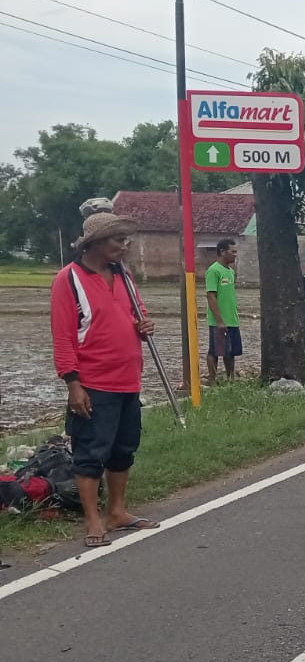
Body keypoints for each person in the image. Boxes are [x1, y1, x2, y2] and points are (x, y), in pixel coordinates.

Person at [49, 212, 161, 547]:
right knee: (90, 452)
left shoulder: (124, 275)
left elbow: (137, 315)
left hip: (128, 379)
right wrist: (73, 385)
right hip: (94, 382)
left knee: (124, 449)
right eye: (117, 240)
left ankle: (117, 512)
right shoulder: (68, 279)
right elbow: (63, 337)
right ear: (95, 242)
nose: (124, 246)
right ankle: (93, 520)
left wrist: (144, 326)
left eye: (126, 240)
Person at [204, 238, 242, 383]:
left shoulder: (231, 272)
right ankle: (212, 380)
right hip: (219, 320)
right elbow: (211, 296)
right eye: (233, 252)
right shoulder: (213, 271)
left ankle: (230, 379)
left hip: (232, 319)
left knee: (230, 351)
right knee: (215, 350)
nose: (235, 255)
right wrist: (219, 320)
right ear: (222, 252)